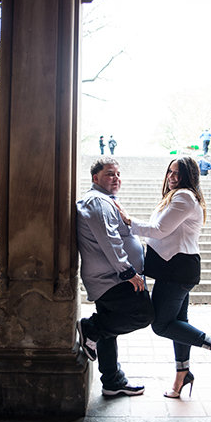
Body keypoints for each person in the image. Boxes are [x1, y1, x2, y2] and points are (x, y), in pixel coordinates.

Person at [115, 156, 211, 399]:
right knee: (177, 324)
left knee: (161, 325)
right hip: (173, 268)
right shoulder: (177, 197)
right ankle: (182, 376)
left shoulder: (184, 197)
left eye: (178, 173)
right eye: (170, 172)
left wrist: (128, 221)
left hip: (176, 270)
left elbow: (159, 230)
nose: (172, 177)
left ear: (189, 177)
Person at [76, 157, 154, 396]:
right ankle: (91, 328)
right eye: (110, 174)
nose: (116, 178)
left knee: (110, 329)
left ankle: (112, 381)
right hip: (113, 278)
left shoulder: (105, 201)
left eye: (118, 174)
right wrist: (128, 271)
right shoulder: (97, 201)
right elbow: (109, 240)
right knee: (144, 315)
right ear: (95, 178)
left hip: (111, 276)